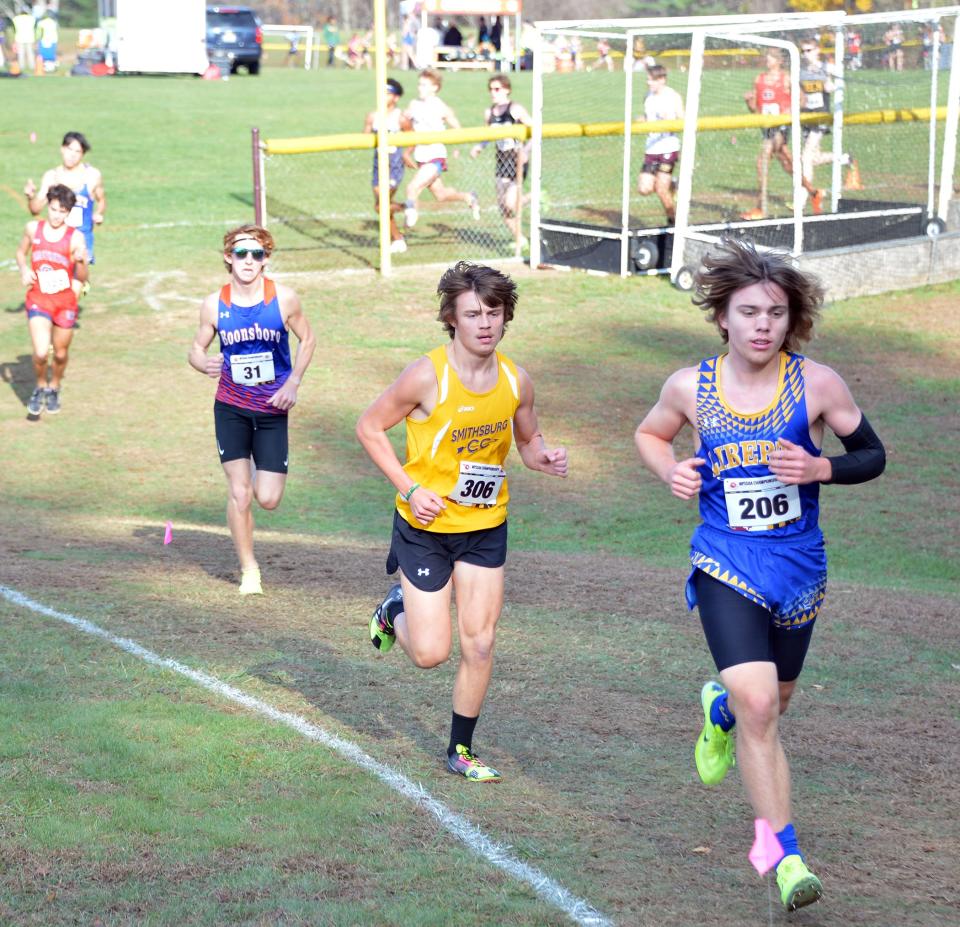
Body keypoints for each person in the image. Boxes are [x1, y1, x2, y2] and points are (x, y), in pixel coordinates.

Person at [635, 235, 885, 913]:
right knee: (762, 705)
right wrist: (671, 470)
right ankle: (785, 854)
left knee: (772, 700)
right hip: (726, 560)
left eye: (775, 312)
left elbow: (872, 453)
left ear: (791, 319)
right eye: (748, 311)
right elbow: (650, 433)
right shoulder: (692, 386)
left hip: (799, 568)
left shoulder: (818, 384)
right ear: (723, 317)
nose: (761, 324)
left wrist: (821, 466)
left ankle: (717, 706)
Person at [356, 262, 568, 782]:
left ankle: (461, 749)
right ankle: (393, 610)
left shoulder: (516, 380)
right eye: (472, 313)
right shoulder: (427, 375)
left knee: (480, 642)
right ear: (451, 317)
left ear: (505, 317)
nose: (484, 323)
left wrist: (543, 456)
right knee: (431, 653)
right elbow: (369, 426)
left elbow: (526, 438)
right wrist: (409, 487)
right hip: (425, 529)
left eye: (493, 312)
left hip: (483, 524)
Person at [187, 225, 316, 596]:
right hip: (231, 407)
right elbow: (195, 349)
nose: (249, 261)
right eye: (241, 253)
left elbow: (308, 338)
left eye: (257, 254)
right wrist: (202, 363)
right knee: (240, 494)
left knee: (269, 498)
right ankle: (249, 570)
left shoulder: (284, 299)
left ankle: (258, 466)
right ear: (228, 257)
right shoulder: (214, 304)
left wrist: (293, 382)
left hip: (273, 408)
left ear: (266, 259)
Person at [15, 184, 89, 416]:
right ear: (48, 206)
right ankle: (40, 387)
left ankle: (54, 386)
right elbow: (20, 252)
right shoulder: (32, 228)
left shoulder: (75, 238)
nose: (57, 216)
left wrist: (81, 261)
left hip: (65, 302)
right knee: (39, 352)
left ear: (69, 212)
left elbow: (83, 277)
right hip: (38, 298)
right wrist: (24, 269)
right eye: (54, 209)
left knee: (59, 353)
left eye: (62, 211)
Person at [742, 48, 823, 221]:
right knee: (788, 164)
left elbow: (802, 99)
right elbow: (756, 110)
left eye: (771, 58)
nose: (767, 60)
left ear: (779, 61)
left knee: (762, 161)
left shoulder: (786, 79)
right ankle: (814, 192)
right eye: (767, 57)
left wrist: (791, 110)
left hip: (782, 127)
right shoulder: (759, 79)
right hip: (767, 128)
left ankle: (760, 208)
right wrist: (749, 101)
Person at [402, 69, 480, 230]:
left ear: (435, 87)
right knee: (441, 195)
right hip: (421, 157)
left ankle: (409, 217)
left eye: (424, 85)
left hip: (435, 156)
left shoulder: (441, 107)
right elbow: (407, 127)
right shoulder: (413, 104)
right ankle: (469, 197)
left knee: (412, 187)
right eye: (419, 84)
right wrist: (405, 118)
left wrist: (456, 147)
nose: (419, 88)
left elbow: (458, 129)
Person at [24, 131, 105, 269]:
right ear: (62, 149)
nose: (72, 155)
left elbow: (101, 200)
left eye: (77, 151)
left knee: (77, 286)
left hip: (82, 243)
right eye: (69, 149)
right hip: (57, 243)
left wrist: (98, 213)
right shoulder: (52, 177)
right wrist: (31, 196)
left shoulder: (92, 176)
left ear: (83, 154)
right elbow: (35, 210)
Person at [470, 74, 532, 246]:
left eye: (497, 89)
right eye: (490, 89)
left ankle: (535, 196)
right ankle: (520, 239)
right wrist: (479, 147)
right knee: (503, 208)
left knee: (510, 204)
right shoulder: (489, 112)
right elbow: (488, 135)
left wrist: (525, 151)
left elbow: (536, 132)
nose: (493, 92)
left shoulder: (515, 109)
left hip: (517, 160)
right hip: (501, 161)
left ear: (507, 89)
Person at [365, 78, 413, 254]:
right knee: (380, 206)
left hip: (394, 163)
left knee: (382, 204)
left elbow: (412, 138)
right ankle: (399, 234)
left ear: (396, 97)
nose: (382, 97)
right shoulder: (373, 116)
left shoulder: (400, 119)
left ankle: (399, 234)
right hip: (378, 163)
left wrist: (407, 154)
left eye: (387, 93)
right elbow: (364, 137)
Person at [637, 64, 684, 225]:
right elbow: (648, 116)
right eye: (648, 79)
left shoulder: (673, 97)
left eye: (651, 80)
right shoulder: (647, 96)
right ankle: (673, 183)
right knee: (644, 189)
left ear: (662, 80)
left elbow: (683, 120)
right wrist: (641, 120)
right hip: (652, 149)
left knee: (661, 189)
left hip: (668, 148)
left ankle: (674, 221)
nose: (648, 82)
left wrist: (670, 121)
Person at [798, 39, 841, 197]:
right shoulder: (800, 70)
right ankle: (844, 157)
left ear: (817, 51)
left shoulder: (826, 68)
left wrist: (832, 85)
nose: (805, 54)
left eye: (808, 50)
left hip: (821, 117)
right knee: (813, 158)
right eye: (803, 51)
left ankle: (803, 198)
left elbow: (843, 80)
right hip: (806, 118)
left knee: (806, 156)